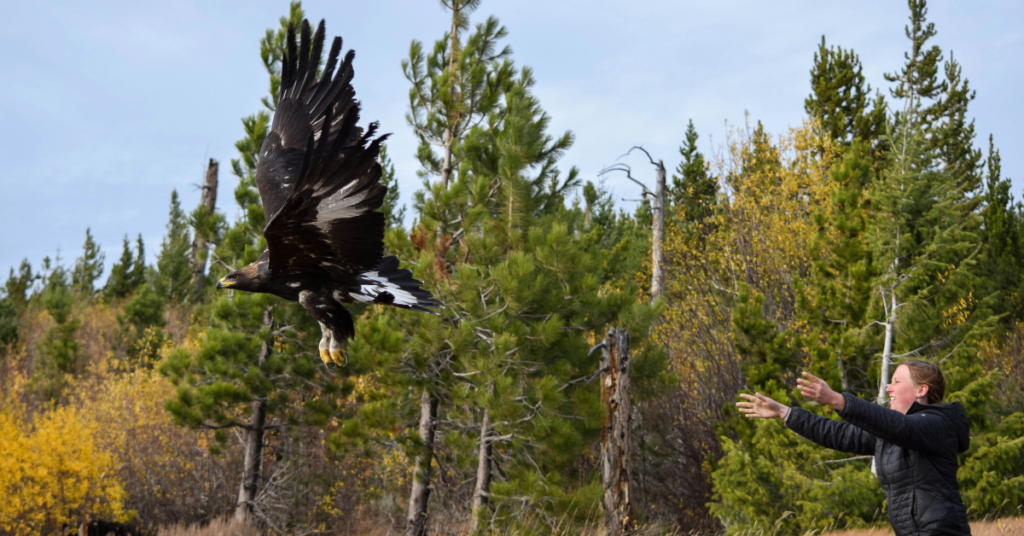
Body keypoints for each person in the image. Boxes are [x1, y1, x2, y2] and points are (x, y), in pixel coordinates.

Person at [736, 360, 972, 536]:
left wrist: (838, 400)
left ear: (921, 390)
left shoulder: (938, 424)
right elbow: (838, 434)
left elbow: (902, 428)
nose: (888, 388)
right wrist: (784, 413)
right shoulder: (887, 434)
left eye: (896, 382)